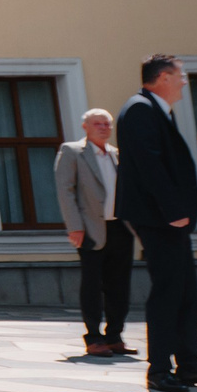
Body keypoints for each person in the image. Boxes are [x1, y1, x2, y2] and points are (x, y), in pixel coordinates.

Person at [115, 53, 197, 392]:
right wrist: (171, 209)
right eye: (180, 75)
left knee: (185, 292)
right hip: (159, 218)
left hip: (167, 218)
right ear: (164, 77)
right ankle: (159, 370)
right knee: (168, 292)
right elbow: (149, 165)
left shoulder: (154, 109)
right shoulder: (140, 108)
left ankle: (191, 365)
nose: (184, 81)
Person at [54, 108, 132, 358]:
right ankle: (94, 337)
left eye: (107, 124)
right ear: (85, 127)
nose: (104, 128)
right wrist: (74, 226)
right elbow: (65, 191)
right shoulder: (73, 152)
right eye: (98, 124)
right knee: (92, 284)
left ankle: (115, 336)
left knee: (119, 285)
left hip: (120, 227)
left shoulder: (116, 155)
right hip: (89, 228)